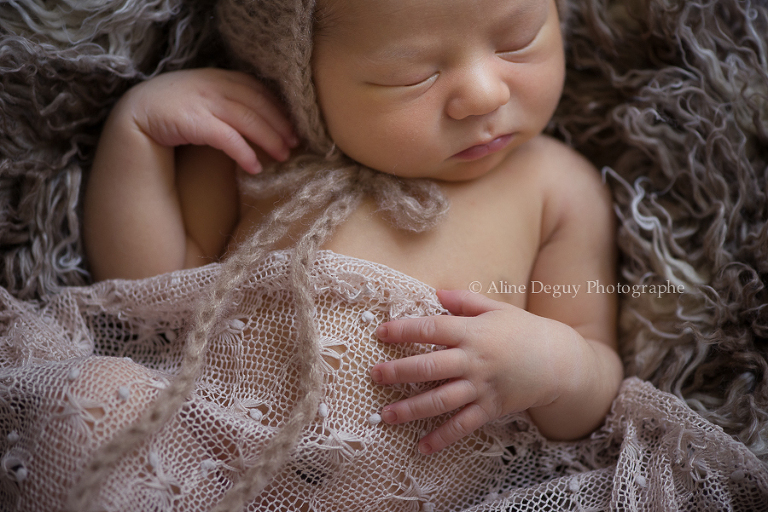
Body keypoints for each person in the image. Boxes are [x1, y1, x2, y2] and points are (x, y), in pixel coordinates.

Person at [84, 0, 622, 458]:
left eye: (518, 42)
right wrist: (138, 135)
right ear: (303, 79)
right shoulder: (258, 149)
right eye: (413, 74)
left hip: (428, 488)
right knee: (95, 406)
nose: (484, 95)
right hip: (205, 458)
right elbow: (144, 295)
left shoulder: (556, 186)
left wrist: (556, 366)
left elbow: (592, 382)